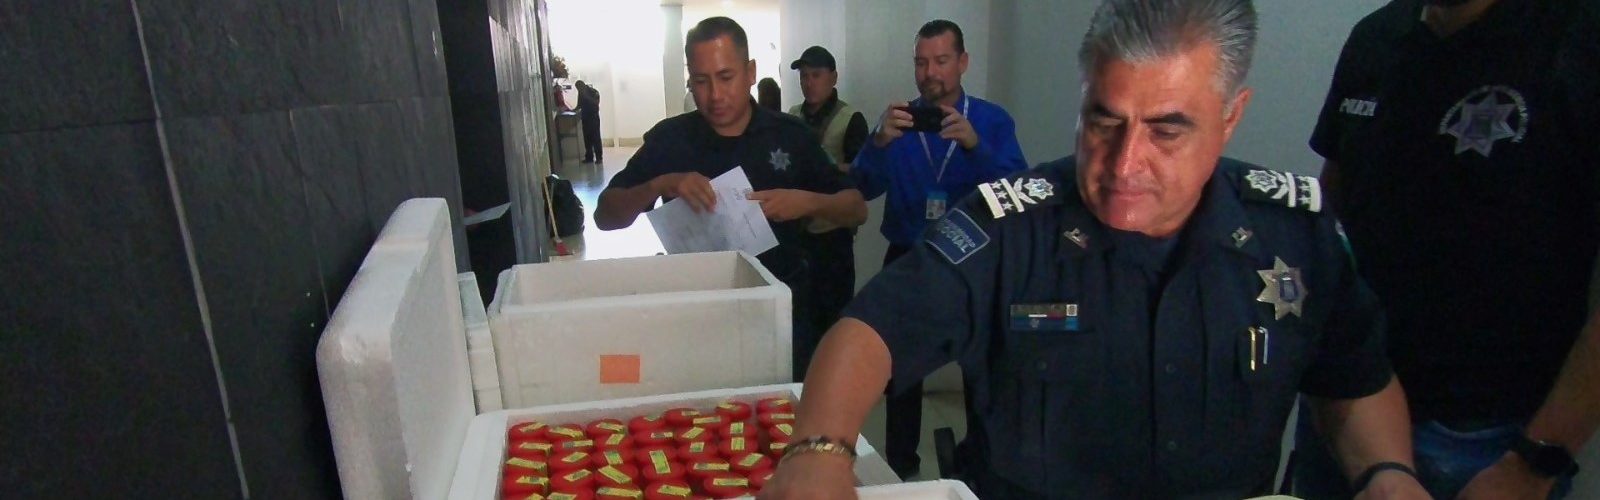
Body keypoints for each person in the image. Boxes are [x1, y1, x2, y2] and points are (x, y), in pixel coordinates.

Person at [759, 1, 1433, 498]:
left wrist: (1387, 471)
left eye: (1166, 131)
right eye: (1102, 122)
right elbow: (873, 327)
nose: (1124, 163)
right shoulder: (1012, 226)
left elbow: (1355, 380)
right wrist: (819, 448)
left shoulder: (1293, 235)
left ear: (1231, 116)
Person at [1294, 0, 1600, 498]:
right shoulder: (1378, 36)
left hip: (1489, 439)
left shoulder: (1577, 38)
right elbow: (1330, 225)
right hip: (1347, 408)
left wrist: (1534, 463)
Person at [595, 16, 868, 382]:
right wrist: (659, 185)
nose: (715, 95)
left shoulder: (790, 136)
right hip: (698, 318)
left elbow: (856, 209)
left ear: (750, 72)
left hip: (780, 315)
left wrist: (808, 202)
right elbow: (606, 216)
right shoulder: (670, 140)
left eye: (726, 77)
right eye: (701, 81)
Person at [849, 19, 1028, 479]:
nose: (930, 72)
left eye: (941, 61)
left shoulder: (991, 121)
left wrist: (975, 146)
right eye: (921, 62)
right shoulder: (898, 122)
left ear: (963, 62)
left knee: (980, 373)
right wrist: (878, 142)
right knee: (900, 374)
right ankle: (900, 469)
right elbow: (861, 189)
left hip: (975, 265)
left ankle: (980, 469)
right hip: (908, 259)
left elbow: (1016, 193)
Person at [787, 45, 871, 374]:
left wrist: (827, 169)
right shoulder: (791, 117)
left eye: (816, 75)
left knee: (834, 317)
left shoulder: (850, 119)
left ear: (833, 77)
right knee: (797, 318)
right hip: (796, 234)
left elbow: (862, 174)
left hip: (833, 235)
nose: (809, 83)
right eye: (804, 76)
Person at [576, 80, 603, 164]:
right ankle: (589, 157)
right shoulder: (581, 93)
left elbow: (596, 103)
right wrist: (572, 110)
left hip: (593, 118)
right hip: (585, 118)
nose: (579, 90)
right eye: (578, 89)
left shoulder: (593, 92)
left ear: (583, 86)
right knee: (587, 139)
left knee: (596, 138)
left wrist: (586, 96)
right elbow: (579, 105)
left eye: (579, 88)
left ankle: (599, 158)